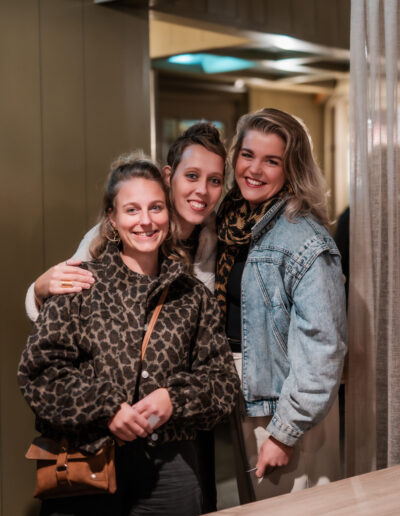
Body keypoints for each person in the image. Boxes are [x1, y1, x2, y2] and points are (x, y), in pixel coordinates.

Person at [18, 153, 239, 516]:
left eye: (155, 208)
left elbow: (223, 383)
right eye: (132, 210)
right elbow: (39, 375)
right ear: (112, 218)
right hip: (88, 461)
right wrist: (105, 409)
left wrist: (173, 399)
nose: (145, 221)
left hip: (170, 468)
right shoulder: (80, 285)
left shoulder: (192, 295)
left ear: (168, 213)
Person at [215, 108, 347, 501]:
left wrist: (285, 432)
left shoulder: (304, 239)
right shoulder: (233, 222)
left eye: (271, 160)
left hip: (284, 408)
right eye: (248, 154)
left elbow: (323, 348)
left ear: (291, 169)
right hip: (247, 395)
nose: (254, 169)